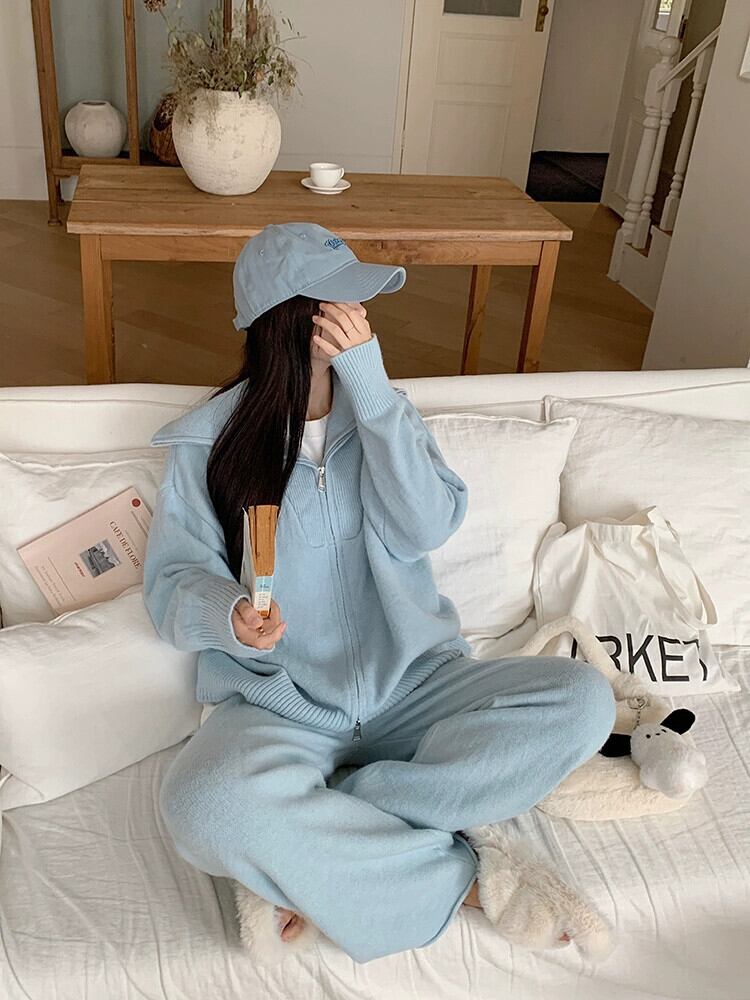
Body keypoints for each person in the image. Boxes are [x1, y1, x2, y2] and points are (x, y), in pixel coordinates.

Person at [143, 222, 616, 964]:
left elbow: (428, 523)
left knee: (585, 700)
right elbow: (171, 582)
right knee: (200, 805)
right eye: (342, 300)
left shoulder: (384, 414)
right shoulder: (206, 444)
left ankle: (346, 818)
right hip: (281, 703)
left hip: (417, 685)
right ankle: (456, 879)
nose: (361, 314)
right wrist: (228, 615)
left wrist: (370, 388)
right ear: (290, 317)